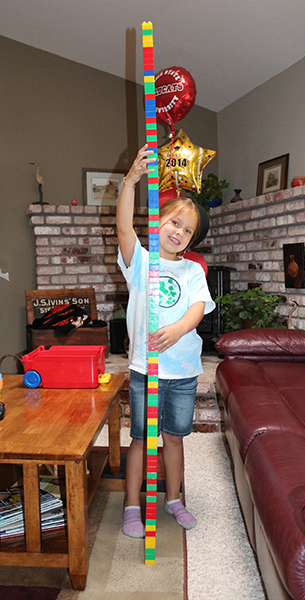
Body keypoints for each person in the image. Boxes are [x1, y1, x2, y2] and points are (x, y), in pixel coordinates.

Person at [116, 144, 215, 538]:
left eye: (186, 230)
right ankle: (131, 506)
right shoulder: (141, 261)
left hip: (183, 371)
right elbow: (123, 227)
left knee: (173, 439)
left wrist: (177, 331)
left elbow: (198, 308)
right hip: (145, 370)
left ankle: (173, 498)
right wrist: (131, 180)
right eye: (173, 222)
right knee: (141, 438)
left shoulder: (192, 270)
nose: (178, 231)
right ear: (158, 222)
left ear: (191, 241)